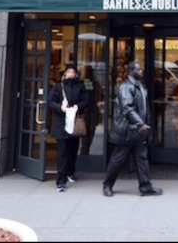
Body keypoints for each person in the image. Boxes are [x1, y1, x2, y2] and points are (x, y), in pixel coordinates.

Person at [102, 61, 163, 197]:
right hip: (126, 131)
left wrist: (143, 125)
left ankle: (146, 186)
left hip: (138, 131)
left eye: (141, 69)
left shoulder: (139, 86)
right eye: (138, 69)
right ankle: (107, 185)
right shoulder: (126, 87)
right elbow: (127, 108)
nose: (141, 71)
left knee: (142, 158)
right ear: (130, 71)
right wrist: (141, 123)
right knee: (117, 159)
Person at [48, 64, 90, 192]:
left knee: (72, 150)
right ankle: (61, 180)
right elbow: (50, 101)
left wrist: (78, 106)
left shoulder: (80, 86)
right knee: (62, 152)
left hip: (74, 123)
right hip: (61, 123)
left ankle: (70, 171)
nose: (71, 74)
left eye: (73, 72)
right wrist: (61, 107)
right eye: (69, 72)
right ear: (64, 74)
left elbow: (87, 100)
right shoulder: (58, 87)